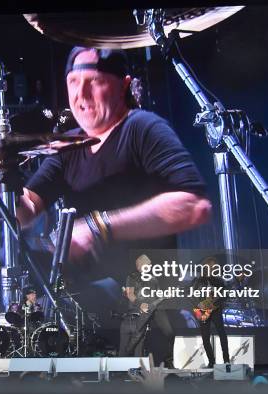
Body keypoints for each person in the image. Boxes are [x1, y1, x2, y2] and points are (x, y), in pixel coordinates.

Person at [17, 47, 211, 282]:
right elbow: (26, 211)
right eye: (73, 81)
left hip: (147, 299)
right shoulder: (68, 145)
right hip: (86, 301)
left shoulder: (143, 128)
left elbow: (194, 206)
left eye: (95, 81)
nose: (81, 94)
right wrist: (4, 181)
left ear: (124, 85)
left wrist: (99, 226)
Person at [191, 257, 229, 368]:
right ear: (205, 266)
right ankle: (211, 362)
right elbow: (191, 295)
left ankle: (226, 360)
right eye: (210, 266)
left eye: (214, 266)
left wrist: (215, 305)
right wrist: (198, 305)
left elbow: (225, 295)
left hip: (215, 310)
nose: (212, 268)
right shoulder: (197, 281)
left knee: (222, 334)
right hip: (202, 311)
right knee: (205, 337)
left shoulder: (218, 280)